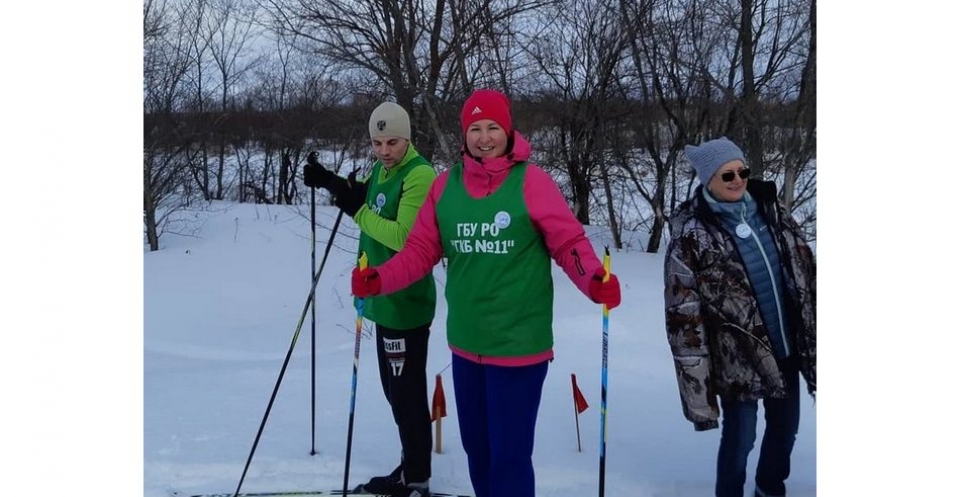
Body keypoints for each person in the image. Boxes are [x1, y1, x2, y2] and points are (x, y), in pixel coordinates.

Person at [350, 89, 622, 497]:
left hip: (518, 345)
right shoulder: (446, 187)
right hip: (466, 344)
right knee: (478, 452)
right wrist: (380, 279)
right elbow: (420, 251)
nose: (484, 137)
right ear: (464, 134)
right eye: (474, 128)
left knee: (509, 458)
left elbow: (568, 243)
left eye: (492, 127)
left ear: (508, 130)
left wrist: (593, 280)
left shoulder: (532, 182)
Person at [662, 137, 816, 497]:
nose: (738, 180)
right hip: (736, 358)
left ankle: (769, 488)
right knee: (741, 439)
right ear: (708, 180)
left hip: (785, 345)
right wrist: (697, 385)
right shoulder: (692, 236)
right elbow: (683, 316)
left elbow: (804, 273)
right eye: (727, 175)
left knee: (785, 429)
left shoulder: (771, 211)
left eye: (742, 171)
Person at [303, 101, 437, 497]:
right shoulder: (383, 169)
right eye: (377, 143)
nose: (383, 151)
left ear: (407, 138)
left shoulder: (419, 174)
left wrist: (356, 209)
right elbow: (367, 196)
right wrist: (330, 182)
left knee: (406, 395)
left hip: (405, 302)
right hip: (381, 297)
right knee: (395, 393)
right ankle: (410, 466)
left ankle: (416, 477)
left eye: (391, 142)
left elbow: (403, 237)